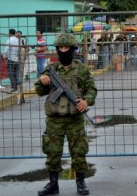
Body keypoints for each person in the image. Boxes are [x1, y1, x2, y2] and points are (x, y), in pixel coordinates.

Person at [35, 33, 97, 196]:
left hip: (75, 119)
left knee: (78, 151)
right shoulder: (51, 69)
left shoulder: (81, 69)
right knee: (52, 151)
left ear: (73, 49)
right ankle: (53, 183)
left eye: (66, 47)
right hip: (54, 119)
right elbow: (39, 91)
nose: (63, 50)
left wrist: (86, 101)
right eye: (60, 48)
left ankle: (81, 182)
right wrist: (42, 80)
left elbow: (91, 89)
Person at [3, 28, 20, 93]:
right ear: (15, 33)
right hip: (17, 59)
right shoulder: (18, 40)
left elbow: (6, 50)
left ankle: (13, 87)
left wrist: (5, 57)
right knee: (16, 73)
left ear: (9, 33)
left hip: (11, 59)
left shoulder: (9, 40)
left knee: (11, 74)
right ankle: (16, 87)